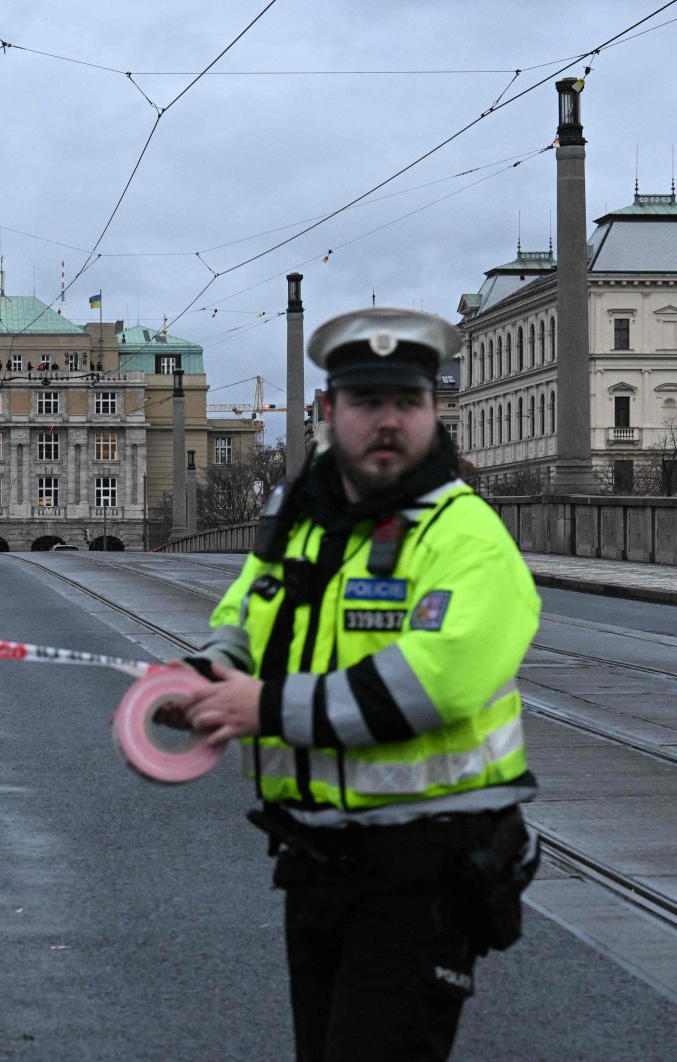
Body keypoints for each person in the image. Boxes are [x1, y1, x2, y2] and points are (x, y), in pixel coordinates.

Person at [168, 306, 541, 1061]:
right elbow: (244, 619)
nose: (389, 422)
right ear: (329, 413)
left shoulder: (463, 533)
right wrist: (205, 675)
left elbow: (433, 682)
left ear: (434, 413)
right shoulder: (304, 525)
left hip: (425, 864)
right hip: (314, 859)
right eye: (369, 403)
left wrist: (263, 706)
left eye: (408, 403)